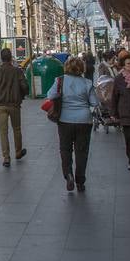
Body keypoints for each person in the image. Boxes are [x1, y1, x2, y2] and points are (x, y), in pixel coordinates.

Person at [44, 57, 101, 192]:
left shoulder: (60, 80)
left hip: (64, 120)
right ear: (81, 68)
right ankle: (80, 181)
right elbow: (95, 103)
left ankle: (68, 175)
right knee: (82, 151)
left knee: (65, 149)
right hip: (84, 121)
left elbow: (50, 95)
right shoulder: (87, 83)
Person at [0, 47, 28, 167]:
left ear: (1, 58)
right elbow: (25, 88)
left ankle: (6, 158)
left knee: (3, 132)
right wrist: (20, 97)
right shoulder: (17, 71)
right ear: (11, 58)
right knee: (17, 129)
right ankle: (18, 152)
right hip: (14, 105)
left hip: (1, 105)